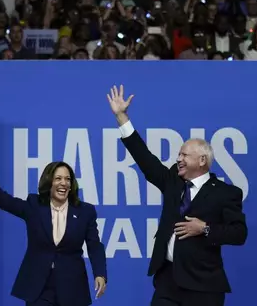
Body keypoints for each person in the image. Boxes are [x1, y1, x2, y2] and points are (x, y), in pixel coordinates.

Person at [105, 86, 247, 306]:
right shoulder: (173, 180)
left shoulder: (226, 193)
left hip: (204, 287)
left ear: (202, 161)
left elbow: (239, 234)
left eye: (184, 155)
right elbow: (145, 158)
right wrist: (122, 117)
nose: (179, 159)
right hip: (167, 283)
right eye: (178, 154)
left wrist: (205, 228)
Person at [0, 131, 108, 306]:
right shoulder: (34, 206)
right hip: (39, 288)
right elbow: (0, 198)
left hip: (72, 287)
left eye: (67, 179)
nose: (63, 183)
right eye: (58, 178)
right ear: (49, 182)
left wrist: (100, 274)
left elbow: (94, 245)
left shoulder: (85, 211)